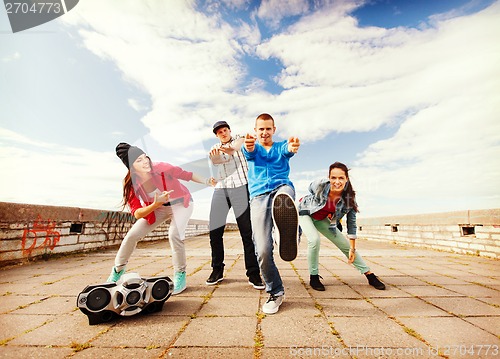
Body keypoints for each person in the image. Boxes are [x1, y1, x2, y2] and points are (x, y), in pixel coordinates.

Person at [107, 142, 215, 295]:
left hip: (181, 204)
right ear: (131, 167)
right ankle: (117, 271)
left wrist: (206, 181)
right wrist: (155, 204)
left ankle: (180, 275)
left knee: (174, 234)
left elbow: (187, 175)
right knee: (132, 235)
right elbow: (137, 213)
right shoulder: (132, 184)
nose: (145, 162)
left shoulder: (162, 167)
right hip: (157, 208)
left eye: (145, 157)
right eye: (139, 161)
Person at [242, 113, 301, 314]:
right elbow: (248, 151)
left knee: (285, 198)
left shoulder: (280, 147)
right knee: (263, 250)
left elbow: (288, 149)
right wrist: (249, 146)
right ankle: (275, 291)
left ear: (274, 130)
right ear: (255, 130)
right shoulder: (251, 147)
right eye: (261, 129)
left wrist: (292, 147)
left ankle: (292, 233)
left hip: (281, 188)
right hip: (258, 196)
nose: (265, 132)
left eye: (268, 129)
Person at [298, 162, 385, 291]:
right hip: (305, 212)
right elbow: (310, 188)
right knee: (314, 240)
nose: (337, 181)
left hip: (321, 219)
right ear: (329, 177)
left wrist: (352, 248)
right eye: (333, 177)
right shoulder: (321, 185)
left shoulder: (349, 199)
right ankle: (314, 277)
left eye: (341, 178)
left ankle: (369, 275)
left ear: (346, 179)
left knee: (345, 245)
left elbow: (352, 224)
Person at [207, 121, 265, 289]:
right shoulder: (214, 147)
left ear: (229, 131)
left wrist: (230, 149)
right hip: (221, 189)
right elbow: (217, 161)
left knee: (247, 233)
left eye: (225, 130)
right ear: (217, 135)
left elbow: (238, 146)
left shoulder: (239, 138)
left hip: (241, 187)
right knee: (215, 232)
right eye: (219, 132)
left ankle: (253, 273)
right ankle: (217, 270)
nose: (223, 133)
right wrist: (218, 155)